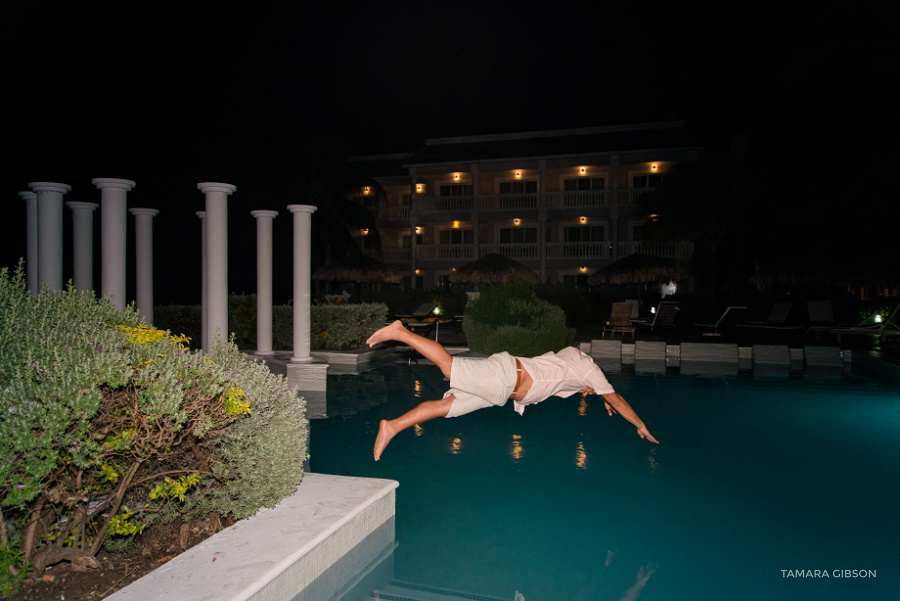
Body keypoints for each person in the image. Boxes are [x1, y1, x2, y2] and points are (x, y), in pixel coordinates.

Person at [367, 320, 658, 461]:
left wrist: (597, 393)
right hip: (505, 378)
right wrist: (639, 423)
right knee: (448, 367)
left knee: (446, 408)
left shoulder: (576, 358)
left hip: (502, 389)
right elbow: (616, 398)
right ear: (595, 375)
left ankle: (392, 426)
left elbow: (596, 390)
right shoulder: (589, 372)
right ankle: (400, 331)